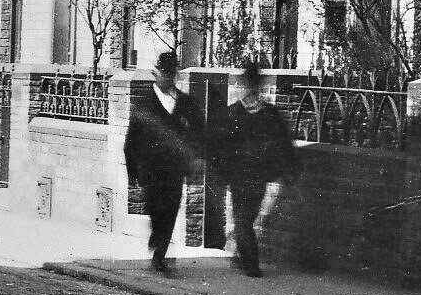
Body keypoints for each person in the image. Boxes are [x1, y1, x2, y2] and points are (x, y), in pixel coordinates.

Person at [210, 63, 299, 278]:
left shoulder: (268, 114)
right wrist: (225, 172)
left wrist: (283, 170)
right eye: (247, 85)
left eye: (253, 85)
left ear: (257, 87)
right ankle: (248, 261)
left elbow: (283, 145)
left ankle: (247, 259)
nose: (250, 89)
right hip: (240, 177)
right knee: (243, 219)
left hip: (257, 176)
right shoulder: (233, 113)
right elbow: (218, 147)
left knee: (244, 218)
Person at [125, 51, 204, 275]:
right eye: (164, 73)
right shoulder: (144, 104)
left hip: (175, 170)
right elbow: (131, 141)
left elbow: (200, 133)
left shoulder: (185, 103)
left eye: (171, 74)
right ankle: (157, 236)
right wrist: (133, 172)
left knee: (170, 210)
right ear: (156, 74)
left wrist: (197, 158)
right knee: (154, 209)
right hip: (150, 170)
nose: (167, 78)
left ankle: (159, 254)